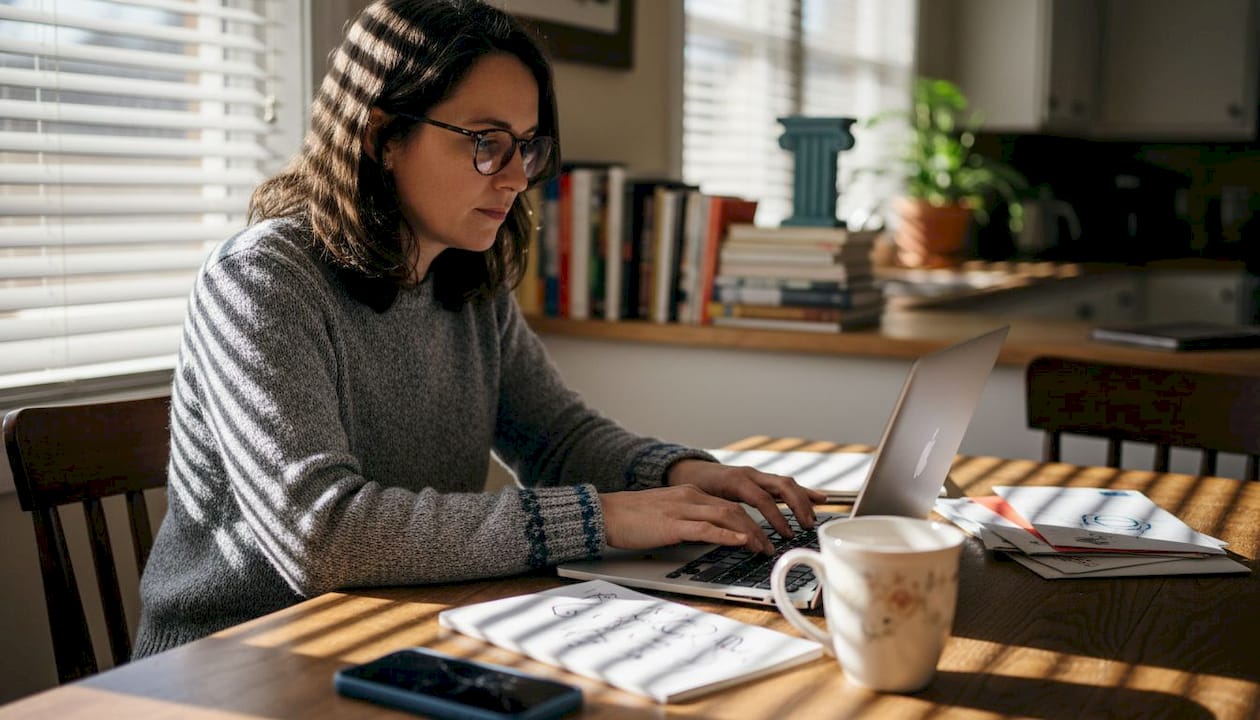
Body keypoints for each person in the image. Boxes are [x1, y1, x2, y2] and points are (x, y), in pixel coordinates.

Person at [133, 0, 824, 657]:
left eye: (526, 146)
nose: (517, 177)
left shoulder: (466, 277)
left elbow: (557, 439)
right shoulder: (261, 281)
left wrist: (686, 474)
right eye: (485, 143)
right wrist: (604, 518)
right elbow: (323, 536)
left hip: (404, 633)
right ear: (382, 138)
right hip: (239, 661)